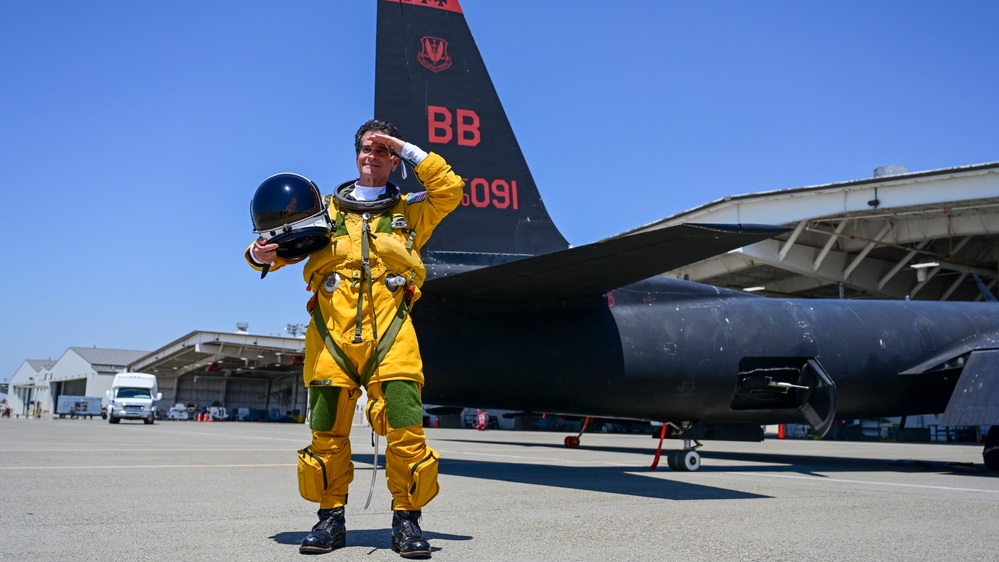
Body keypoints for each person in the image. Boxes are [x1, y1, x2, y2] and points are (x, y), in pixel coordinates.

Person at [246, 119, 463, 558]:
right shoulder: (322, 212)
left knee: (406, 432)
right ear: (356, 153)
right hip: (331, 343)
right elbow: (270, 252)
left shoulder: (411, 212)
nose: (373, 155)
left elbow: (450, 188)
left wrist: (405, 146)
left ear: (393, 159)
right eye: (367, 147)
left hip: (393, 339)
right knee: (326, 435)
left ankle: (406, 521)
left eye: (383, 150)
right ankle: (330, 520)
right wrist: (257, 254)